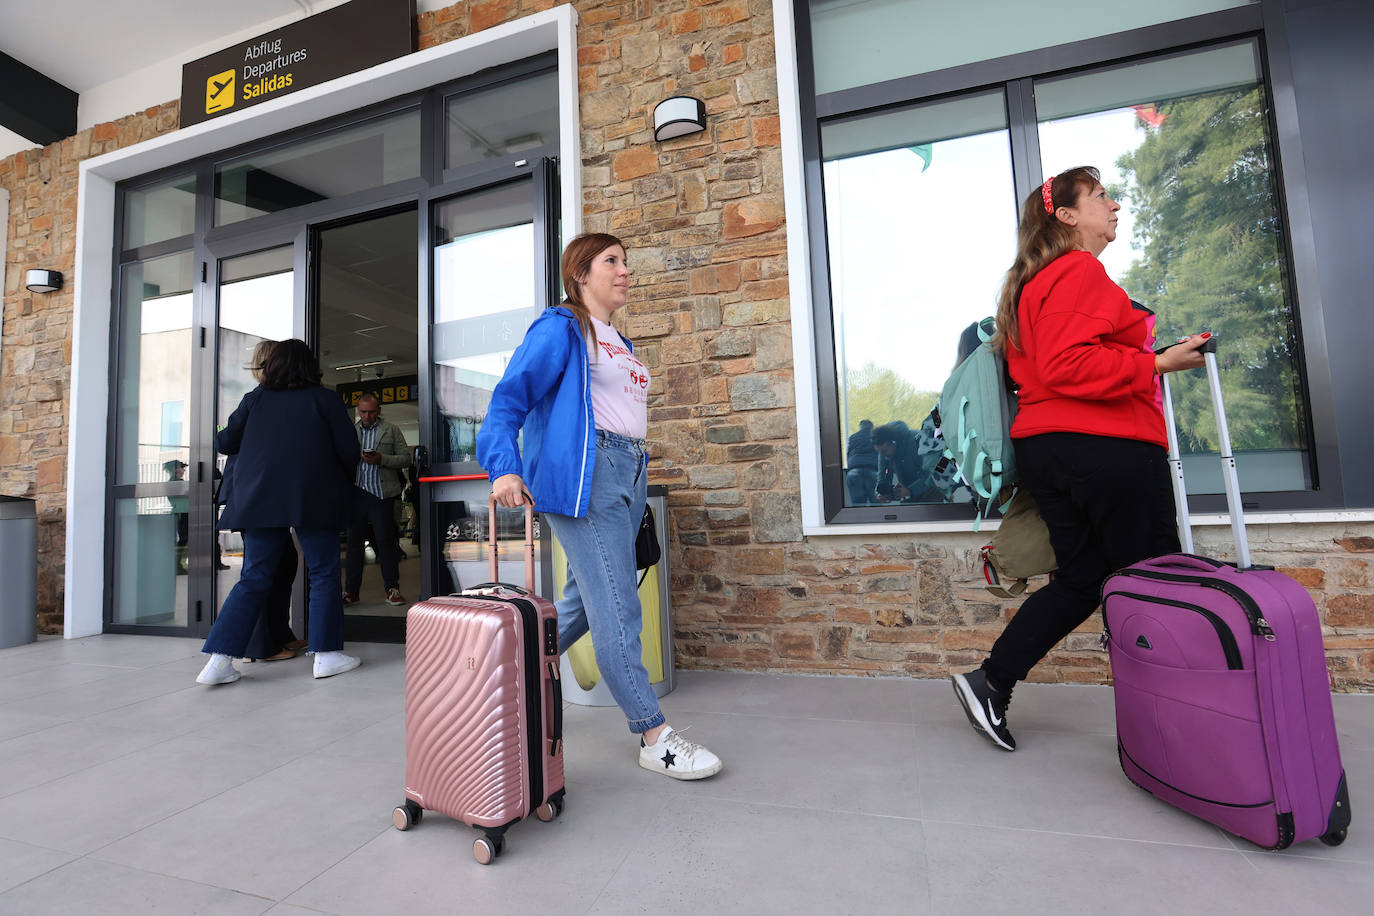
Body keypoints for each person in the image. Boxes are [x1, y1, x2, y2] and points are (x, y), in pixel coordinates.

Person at [951, 166, 1210, 751]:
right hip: (1105, 447)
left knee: (1084, 578)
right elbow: (1070, 366)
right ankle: (1179, 733)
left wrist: (1156, 358)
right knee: (1153, 580)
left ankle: (991, 681)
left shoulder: (1035, 283)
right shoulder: (1078, 271)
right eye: (1100, 196)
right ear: (1066, 216)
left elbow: (1054, 365)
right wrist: (1157, 363)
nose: (1114, 204)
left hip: (1051, 447)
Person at [478, 231, 723, 780]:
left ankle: (491, 676)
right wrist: (504, 467)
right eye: (611, 261)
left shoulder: (620, 341)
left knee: (585, 606)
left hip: (628, 473)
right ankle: (653, 734)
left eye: (626, 262)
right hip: (589, 481)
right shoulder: (561, 328)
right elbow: (508, 398)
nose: (625, 270)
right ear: (580, 274)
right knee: (618, 609)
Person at [196, 338, 362, 685]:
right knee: (324, 572)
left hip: (259, 499)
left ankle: (219, 661)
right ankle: (327, 655)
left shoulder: (254, 400)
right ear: (309, 366)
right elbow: (349, 450)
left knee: (254, 577)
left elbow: (224, 441)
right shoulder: (325, 398)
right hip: (313, 496)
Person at [229, 339, 307, 662]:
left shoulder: (268, 400)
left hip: (262, 497)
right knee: (261, 573)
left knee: (284, 563)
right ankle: (260, 646)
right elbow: (225, 439)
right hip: (253, 497)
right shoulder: (257, 399)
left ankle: (279, 635)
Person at [342, 392, 411, 608]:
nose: (367, 416)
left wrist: (382, 459)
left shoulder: (390, 430)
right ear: (358, 411)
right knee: (354, 545)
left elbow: (406, 458)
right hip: (357, 495)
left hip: (381, 494)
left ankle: (392, 588)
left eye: (372, 412)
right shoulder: (350, 432)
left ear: (378, 411)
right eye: (363, 412)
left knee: (385, 542)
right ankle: (351, 592)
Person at [845, 419, 879, 505]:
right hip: (873, 471)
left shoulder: (852, 437)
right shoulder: (875, 437)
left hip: (854, 472)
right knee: (876, 505)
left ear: (860, 427)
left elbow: (848, 455)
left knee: (858, 507)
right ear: (872, 427)